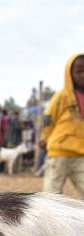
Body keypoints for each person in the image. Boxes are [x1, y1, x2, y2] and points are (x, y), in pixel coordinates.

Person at [42, 53, 84, 199]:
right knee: (51, 194)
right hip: (59, 152)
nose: (83, 75)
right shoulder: (62, 96)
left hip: (81, 154)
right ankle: (47, 220)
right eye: (79, 72)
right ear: (69, 73)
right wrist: (45, 138)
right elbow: (48, 119)